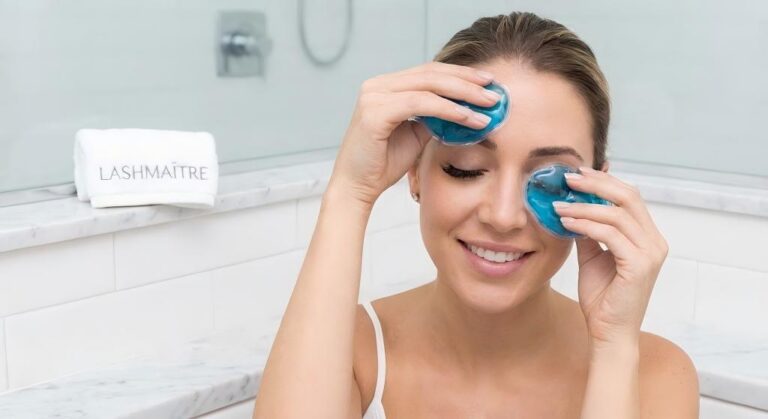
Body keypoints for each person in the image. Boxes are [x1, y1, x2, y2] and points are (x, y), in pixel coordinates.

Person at [253, 11, 699, 418]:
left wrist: (613, 345)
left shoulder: (653, 375)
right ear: (415, 173)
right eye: (463, 169)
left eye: (549, 180)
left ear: (596, 193)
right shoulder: (350, 351)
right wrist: (350, 194)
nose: (504, 216)